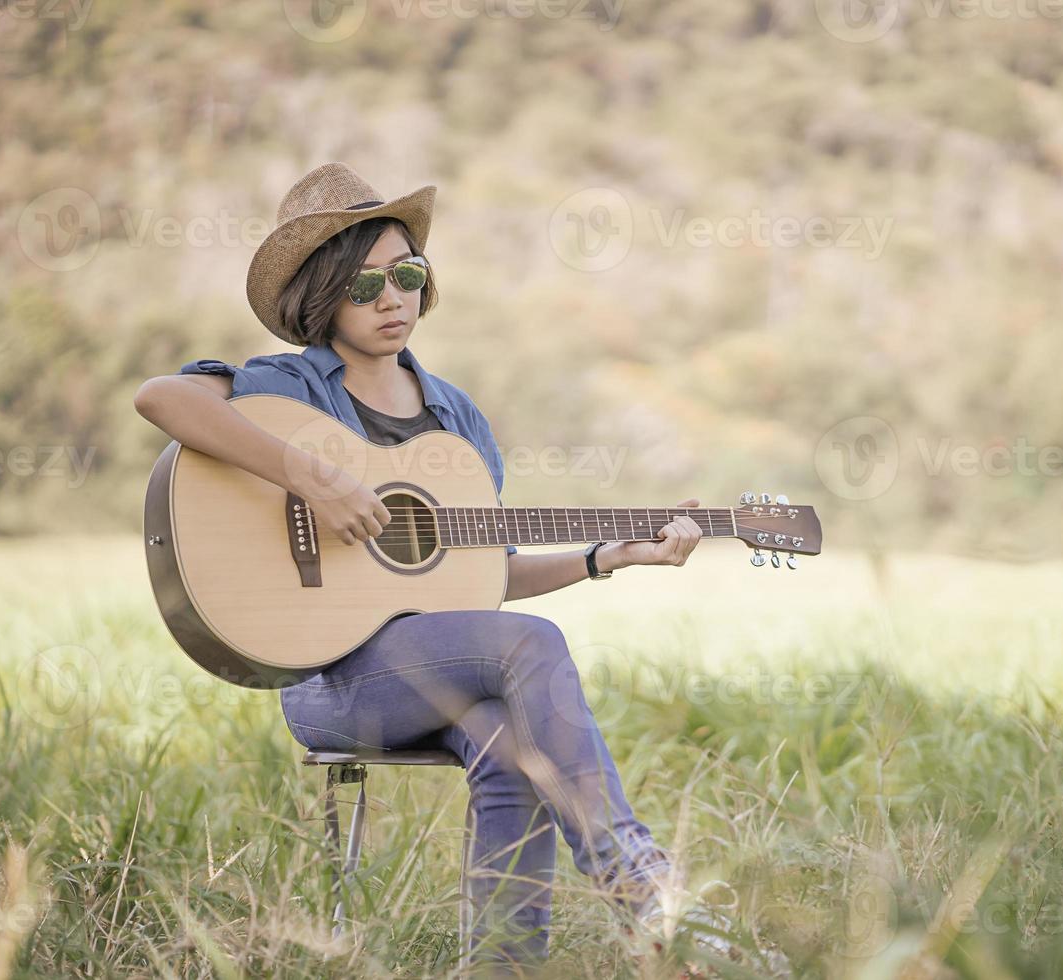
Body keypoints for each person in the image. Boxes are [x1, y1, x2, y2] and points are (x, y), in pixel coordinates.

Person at [132, 163, 729, 974]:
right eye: (364, 282)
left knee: (511, 744)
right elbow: (162, 400)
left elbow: (480, 581)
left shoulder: (456, 418)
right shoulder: (286, 382)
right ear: (321, 294)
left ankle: (503, 966)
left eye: (407, 274)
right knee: (530, 644)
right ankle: (644, 890)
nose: (392, 298)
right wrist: (308, 473)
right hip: (326, 679)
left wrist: (604, 558)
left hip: (432, 666)